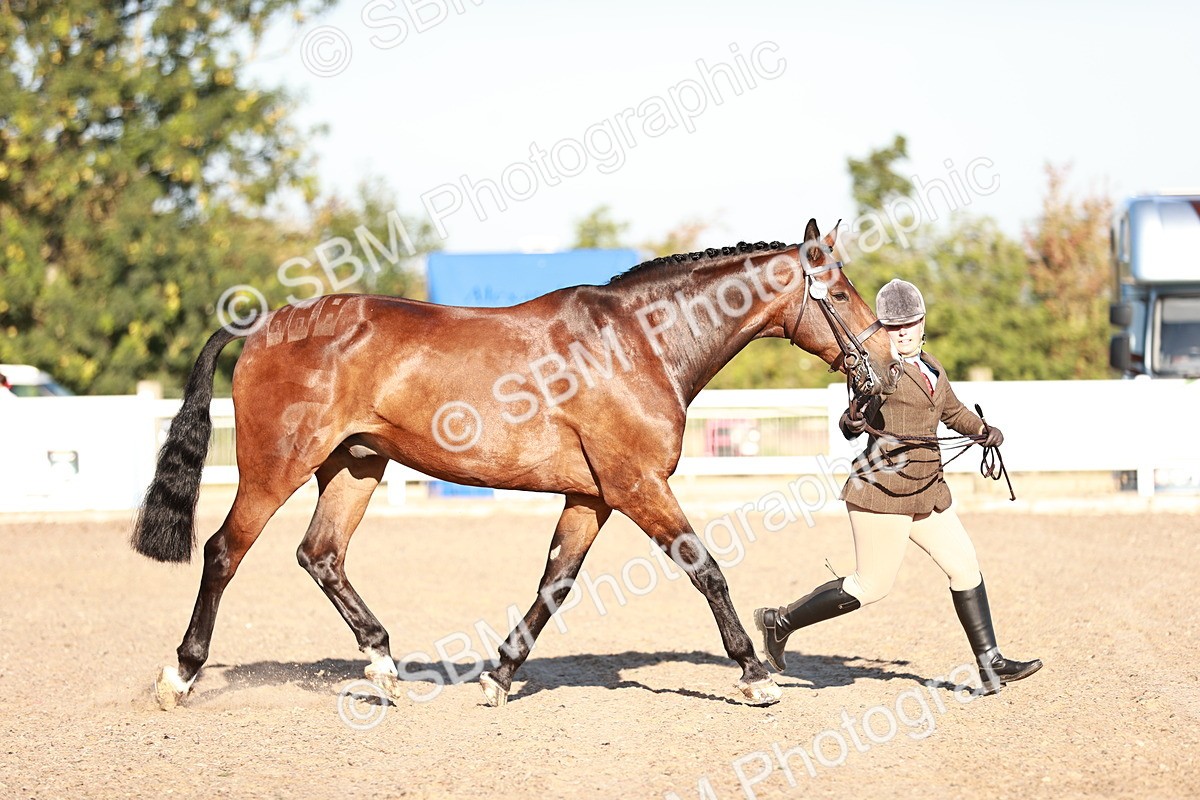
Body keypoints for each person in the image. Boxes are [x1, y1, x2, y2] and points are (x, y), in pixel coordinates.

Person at [754, 278, 1041, 694]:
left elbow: (953, 410)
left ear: (923, 323)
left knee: (964, 565)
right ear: (881, 329)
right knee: (871, 586)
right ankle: (779, 622)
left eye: (910, 323)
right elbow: (854, 416)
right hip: (882, 491)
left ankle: (990, 664)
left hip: (926, 488)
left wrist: (983, 430)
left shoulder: (932, 366)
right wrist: (850, 422)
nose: (903, 332)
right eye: (893, 326)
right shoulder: (878, 372)